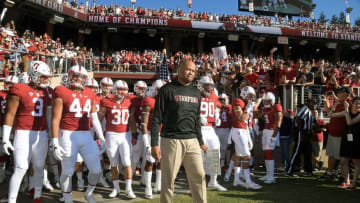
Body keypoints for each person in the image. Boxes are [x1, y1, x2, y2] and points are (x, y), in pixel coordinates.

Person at [151, 60, 208, 203]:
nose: (190, 73)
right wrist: (154, 144)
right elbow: (157, 118)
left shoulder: (196, 92)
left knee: (199, 177)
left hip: (192, 140)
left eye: (193, 71)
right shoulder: (167, 89)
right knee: (168, 181)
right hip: (171, 140)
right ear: (180, 69)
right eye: (188, 69)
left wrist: (201, 141)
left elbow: (196, 119)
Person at [50, 65, 106, 203]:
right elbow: (55, 118)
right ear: (69, 76)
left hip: (86, 135)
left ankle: (89, 194)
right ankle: (67, 197)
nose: (78, 79)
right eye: (76, 75)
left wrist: (101, 138)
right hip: (68, 134)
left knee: (96, 170)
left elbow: (94, 118)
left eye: (82, 77)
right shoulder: (61, 90)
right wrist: (55, 141)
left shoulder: (90, 93)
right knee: (68, 171)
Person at [2, 61, 52, 203]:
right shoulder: (19, 88)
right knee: (21, 167)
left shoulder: (47, 92)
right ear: (34, 75)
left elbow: (49, 115)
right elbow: (10, 114)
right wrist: (6, 138)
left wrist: (52, 136)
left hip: (41, 133)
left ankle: (37, 195)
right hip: (23, 132)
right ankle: (12, 199)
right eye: (43, 76)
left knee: (39, 166)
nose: (46, 79)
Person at [98, 80, 136, 199]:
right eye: (119, 89)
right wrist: (98, 135)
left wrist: (134, 133)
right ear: (114, 89)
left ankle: (129, 189)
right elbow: (98, 119)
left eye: (124, 89)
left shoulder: (129, 102)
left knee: (126, 162)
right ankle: (116, 188)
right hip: (111, 135)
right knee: (113, 163)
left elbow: (131, 119)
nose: (122, 92)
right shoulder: (106, 101)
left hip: (125, 135)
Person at [142, 79, 166, 199]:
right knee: (150, 161)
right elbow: (144, 124)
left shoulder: (167, 102)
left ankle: (158, 185)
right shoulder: (149, 101)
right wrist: (147, 142)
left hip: (164, 135)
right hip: (152, 135)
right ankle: (148, 187)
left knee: (161, 162)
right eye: (159, 90)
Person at [258, 92, 282, 184]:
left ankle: (271, 176)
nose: (264, 102)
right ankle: (268, 174)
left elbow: (278, 121)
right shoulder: (265, 108)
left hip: (272, 131)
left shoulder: (276, 107)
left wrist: (274, 136)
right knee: (266, 153)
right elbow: (257, 115)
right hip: (266, 131)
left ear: (271, 100)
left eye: (265, 100)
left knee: (269, 153)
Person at [0, 75, 18, 184]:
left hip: (16, 127)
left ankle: (11, 169)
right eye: (7, 83)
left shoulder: (19, 95)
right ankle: (2, 171)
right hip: (2, 125)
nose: (9, 85)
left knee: (15, 151)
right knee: (2, 150)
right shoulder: (1, 94)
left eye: (11, 84)